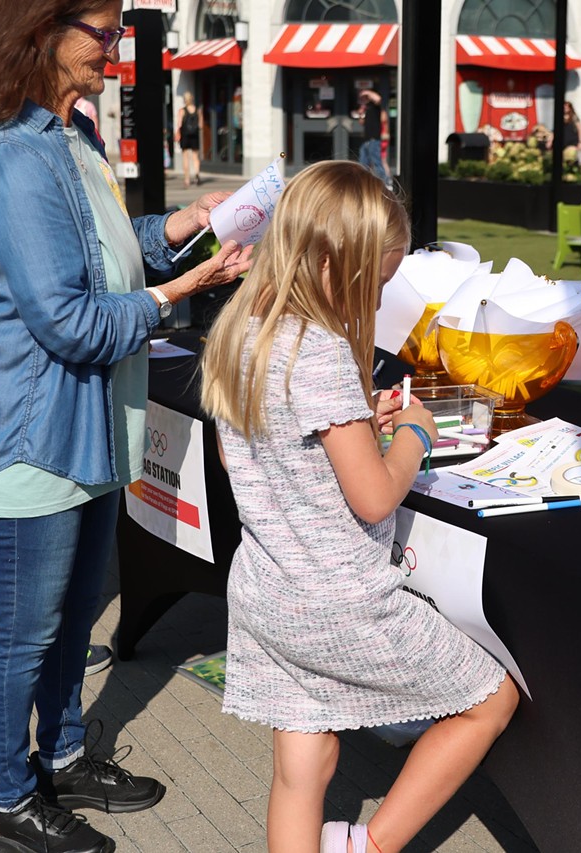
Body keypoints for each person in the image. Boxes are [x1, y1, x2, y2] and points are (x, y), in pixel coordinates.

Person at [0, 2, 253, 851]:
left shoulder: (74, 136)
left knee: (74, 614)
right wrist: (176, 295)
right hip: (31, 438)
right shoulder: (15, 155)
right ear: (41, 31)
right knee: (23, 633)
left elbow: (111, 252)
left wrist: (188, 227)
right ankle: (8, 800)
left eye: (119, 27)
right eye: (102, 27)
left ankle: (64, 755)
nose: (115, 44)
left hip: (86, 434)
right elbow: (67, 320)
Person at [199, 160, 518, 853]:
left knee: (301, 766)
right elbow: (374, 495)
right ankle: (371, 845)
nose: (375, 296)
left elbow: (240, 455)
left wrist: (349, 424)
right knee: (491, 698)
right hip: (337, 597)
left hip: (266, 589)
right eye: (373, 281)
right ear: (332, 265)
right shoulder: (318, 351)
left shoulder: (241, 329)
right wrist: (413, 435)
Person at [357, 87, 386, 183]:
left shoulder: (375, 106)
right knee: (363, 164)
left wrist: (367, 92)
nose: (363, 99)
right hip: (366, 140)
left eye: (365, 97)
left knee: (377, 162)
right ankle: (364, 183)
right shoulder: (366, 108)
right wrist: (361, 114)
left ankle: (383, 184)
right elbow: (361, 122)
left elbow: (378, 99)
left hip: (374, 139)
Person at [176, 90, 202, 187]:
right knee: (195, 156)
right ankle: (197, 174)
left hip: (185, 135)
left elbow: (179, 124)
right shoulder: (197, 110)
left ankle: (187, 179)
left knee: (185, 157)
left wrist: (177, 133)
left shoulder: (182, 111)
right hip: (195, 135)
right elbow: (200, 125)